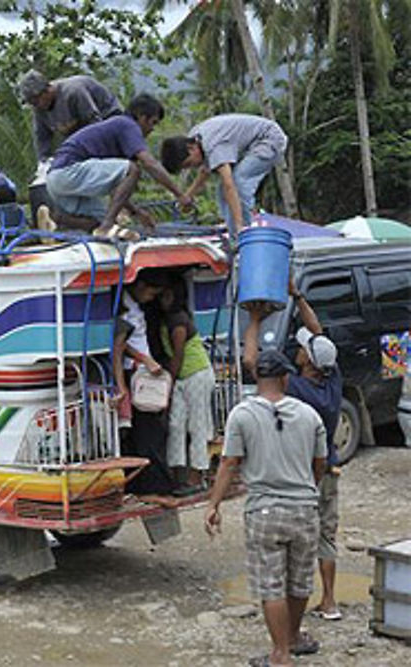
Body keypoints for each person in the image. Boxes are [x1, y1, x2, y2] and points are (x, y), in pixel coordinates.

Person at [207, 349, 327, 667]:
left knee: (271, 585)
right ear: (286, 378)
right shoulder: (309, 415)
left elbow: (229, 462)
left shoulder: (242, 415)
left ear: (257, 378)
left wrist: (213, 504)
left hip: (264, 512)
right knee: (300, 581)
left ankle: (280, 654)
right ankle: (295, 637)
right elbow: (320, 463)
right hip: (304, 509)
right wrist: (307, 491)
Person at [243, 281, 343, 622]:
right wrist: (298, 297)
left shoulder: (295, 388)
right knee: (326, 535)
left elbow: (252, 362)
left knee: (286, 550)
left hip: (297, 478)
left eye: (302, 349)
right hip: (329, 470)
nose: (299, 349)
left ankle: (284, 612)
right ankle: (329, 601)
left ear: (308, 362)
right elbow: (318, 335)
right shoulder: (332, 381)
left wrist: (255, 321)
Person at [45, 93, 193, 238]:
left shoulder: (118, 138)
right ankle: (106, 226)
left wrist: (136, 212)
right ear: (141, 117)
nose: (152, 129)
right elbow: (149, 163)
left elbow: (116, 191)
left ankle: (57, 220)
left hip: (55, 180)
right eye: (152, 122)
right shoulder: (127, 125)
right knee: (132, 169)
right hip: (68, 170)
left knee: (99, 220)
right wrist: (180, 195)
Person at [160, 114, 287, 235]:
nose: (191, 167)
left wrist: (239, 226)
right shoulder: (195, 138)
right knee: (221, 192)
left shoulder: (214, 147)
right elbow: (205, 171)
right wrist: (187, 196)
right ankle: (233, 228)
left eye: (189, 164)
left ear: (191, 148)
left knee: (238, 182)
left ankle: (243, 234)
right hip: (251, 145)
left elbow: (229, 185)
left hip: (269, 138)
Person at [111, 271, 177, 500]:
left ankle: (149, 486)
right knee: (148, 429)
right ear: (139, 285)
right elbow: (120, 343)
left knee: (149, 429)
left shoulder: (134, 306)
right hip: (134, 370)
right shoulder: (122, 309)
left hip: (142, 369)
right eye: (150, 292)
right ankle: (150, 488)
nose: (150, 298)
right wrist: (145, 360)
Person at [158, 279, 215, 495]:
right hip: (183, 376)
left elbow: (178, 356)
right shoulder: (170, 319)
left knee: (196, 425)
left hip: (196, 374)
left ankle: (196, 475)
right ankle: (177, 472)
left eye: (166, 296)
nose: (163, 301)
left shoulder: (178, 321)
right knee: (176, 424)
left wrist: (169, 384)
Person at [17, 69, 122, 165]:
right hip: (81, 133)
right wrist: (44, 162)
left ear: (47, 90)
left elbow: (95, 123)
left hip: (109, 123)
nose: (35, 105)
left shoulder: (74, 91)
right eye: (31, 103)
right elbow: (42, 138)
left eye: (36, 101)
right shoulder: (39, 109)